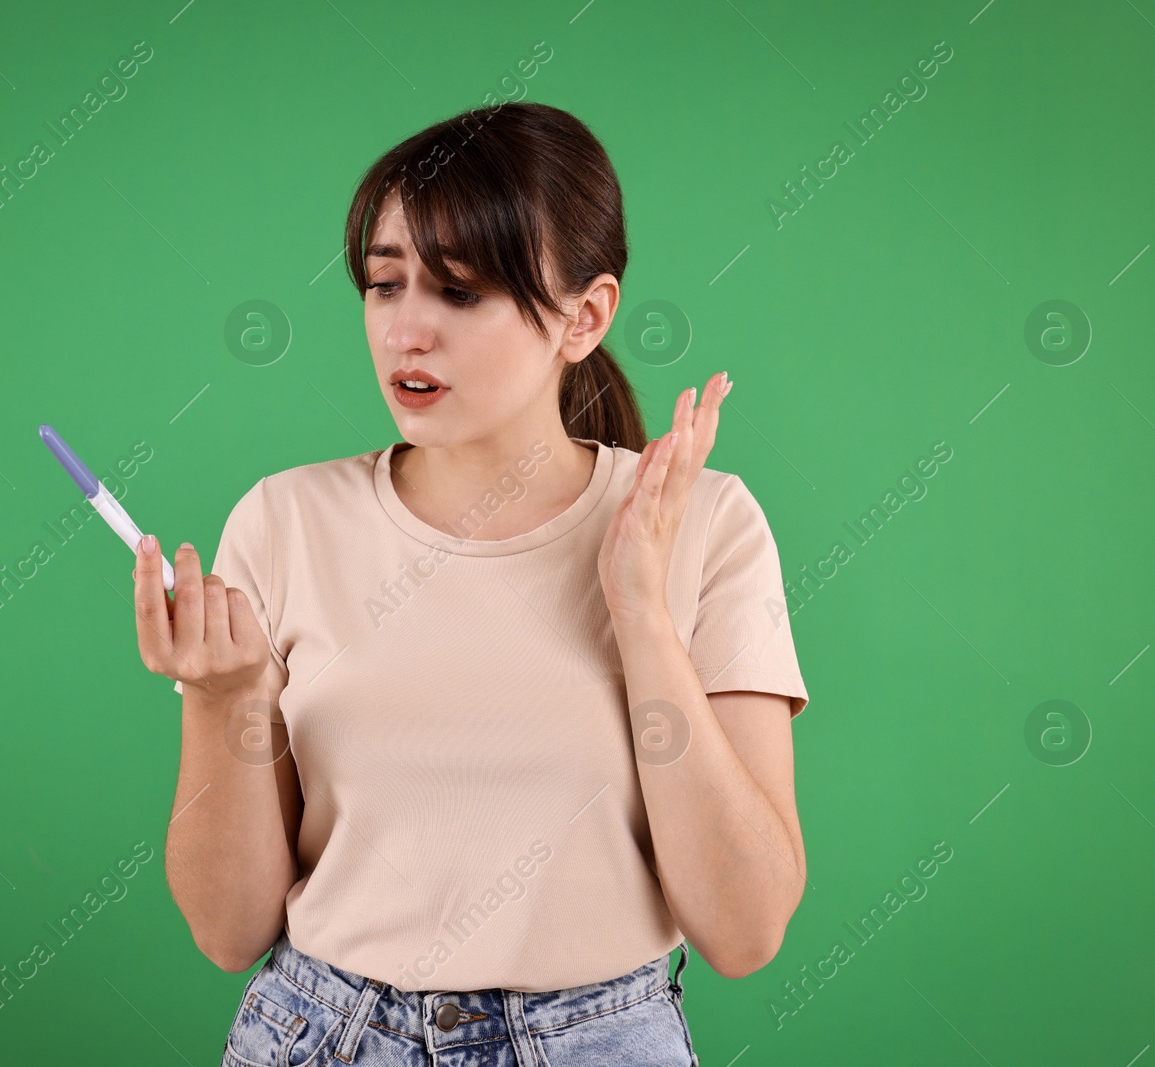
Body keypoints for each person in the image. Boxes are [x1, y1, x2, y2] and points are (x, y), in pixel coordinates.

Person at [132, 101, 810, 1067]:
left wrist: (640, 613)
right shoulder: (283, 523)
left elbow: (745, 932)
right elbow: (227, 930)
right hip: (324, 1033)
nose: (407, 329)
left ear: (586, 315)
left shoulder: (703, 521)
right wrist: (222, 696)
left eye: (458, 291)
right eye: (383, 284)